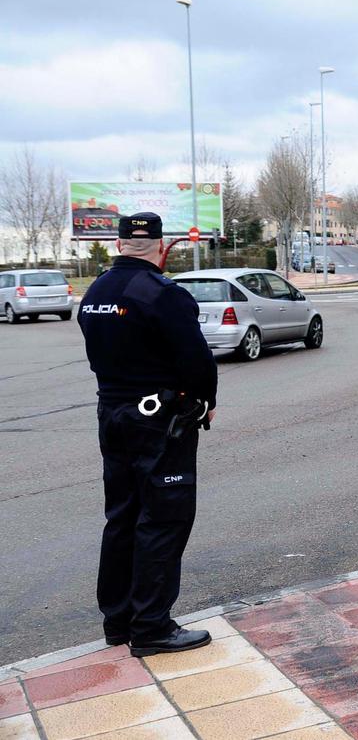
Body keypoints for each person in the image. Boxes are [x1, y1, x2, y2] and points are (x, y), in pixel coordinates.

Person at [78, 212, 217, 657]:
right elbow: (196, 359)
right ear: (162, 247)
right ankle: (153, 627)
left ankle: (118, 622)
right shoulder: (162, 294)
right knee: (163, 517)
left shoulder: (95, 291)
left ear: (119, 245)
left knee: (121, 516)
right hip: (158, 420)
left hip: (112, 413)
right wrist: (204, 401)